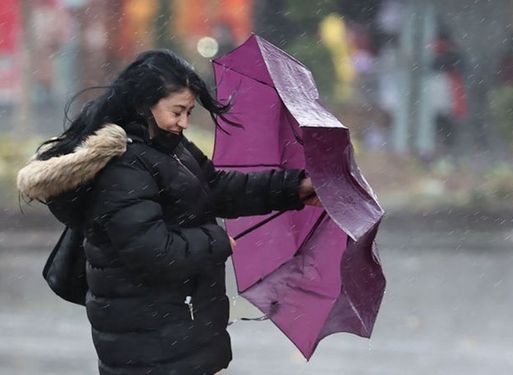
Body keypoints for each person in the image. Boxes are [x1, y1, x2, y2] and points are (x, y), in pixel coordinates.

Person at [16, 49, 318, 375]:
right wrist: (216, 241)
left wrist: (294, 188)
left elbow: (215, 188)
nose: (184, 122)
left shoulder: (168, 146)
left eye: (188, 112)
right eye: (177, 111)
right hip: (148, 344)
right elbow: (152, 250)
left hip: (177, 331)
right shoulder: (124, 165)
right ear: (146, 103)